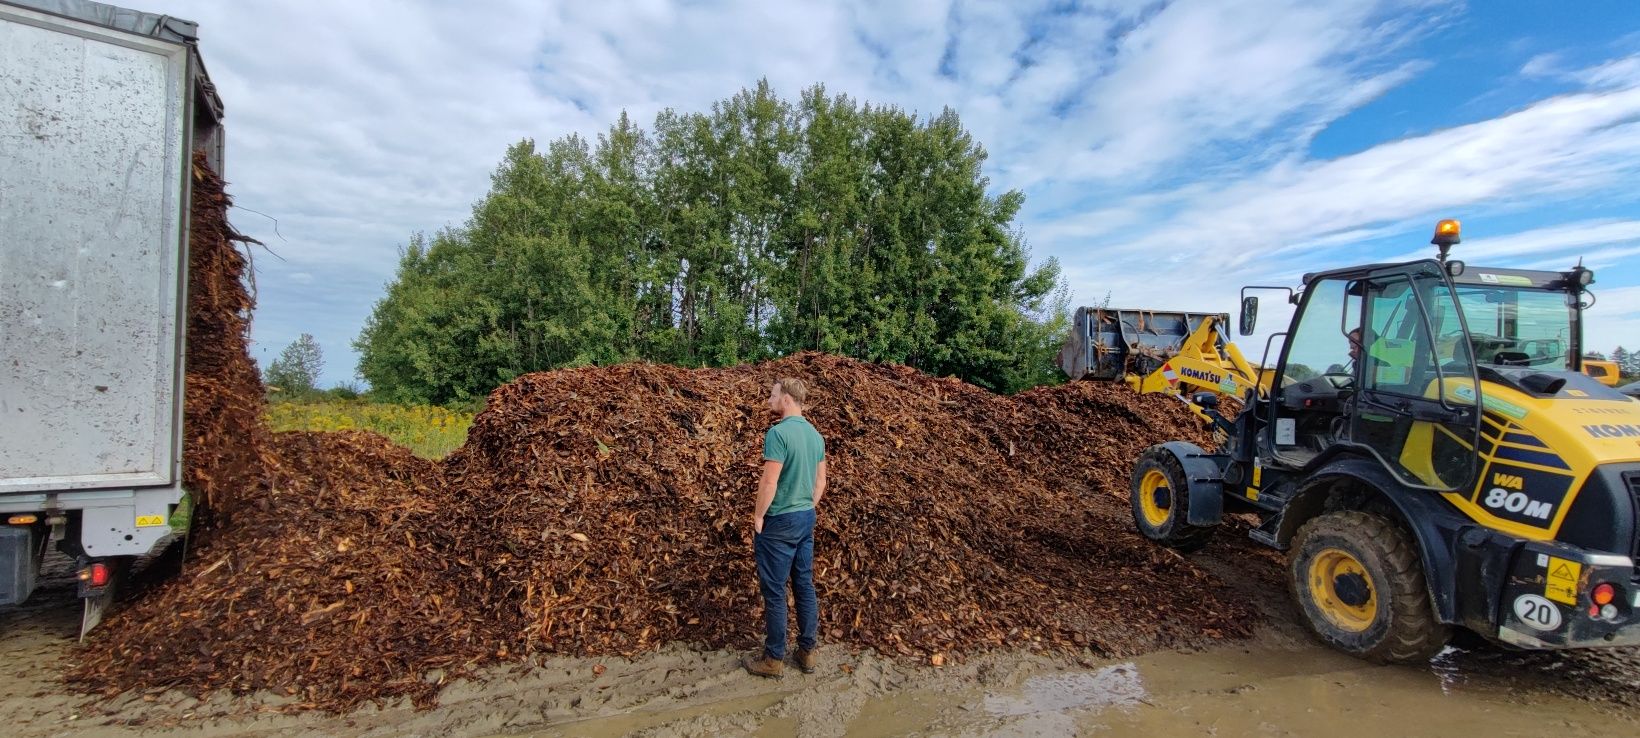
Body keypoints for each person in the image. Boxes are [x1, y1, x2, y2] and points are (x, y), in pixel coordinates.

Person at [745, 377, 828, 678]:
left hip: (779, 521)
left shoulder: (778, 434)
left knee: (776, 590)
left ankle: (774, 658)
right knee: (804, 584)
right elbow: (821, 481)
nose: (769, 400)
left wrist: (758, 516)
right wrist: (807, 505)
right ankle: (807, 652)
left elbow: (769, 481)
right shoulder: (816, 436)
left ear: (787, 399)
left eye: (773, 395)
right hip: (806, 517)